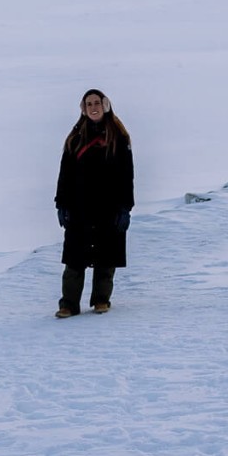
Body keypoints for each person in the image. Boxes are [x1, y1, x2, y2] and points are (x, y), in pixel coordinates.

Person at [54, 88, 134, 317]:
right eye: (88, 104)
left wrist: (125, 208)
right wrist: (61, 204)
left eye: (96, 102)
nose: (93, 107)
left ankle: (101, 300)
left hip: (109, 207)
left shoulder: (119, 138)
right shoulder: (75, 138)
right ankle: (68, 304)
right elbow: (64, 174)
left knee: (106, 256)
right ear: (83, 109)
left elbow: (127, 176)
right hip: (79, 207)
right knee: (74, 258)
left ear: (105, 105)